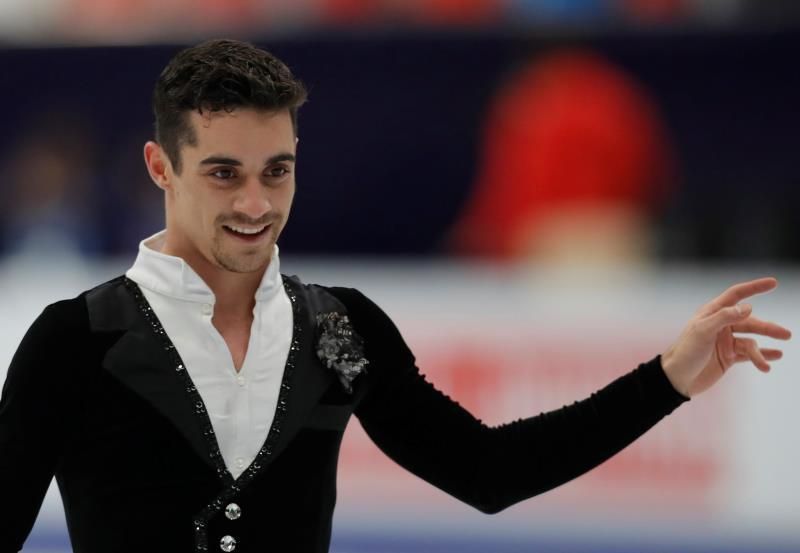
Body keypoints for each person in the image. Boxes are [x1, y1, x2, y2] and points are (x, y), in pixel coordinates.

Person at [0, 39, 791, 553]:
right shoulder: (78, 341)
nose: (255, 203)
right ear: (160, 167)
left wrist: (669, 378)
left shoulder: (337, 329)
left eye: (277, 170)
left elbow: (488, 469)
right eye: (223, 173)